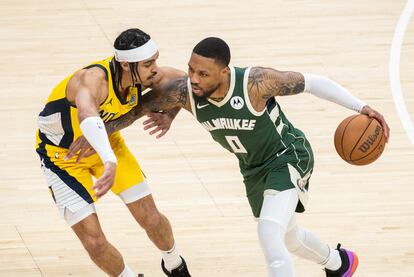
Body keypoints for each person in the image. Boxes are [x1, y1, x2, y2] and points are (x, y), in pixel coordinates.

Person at [67, 37, 390, 276]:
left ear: (223, 73)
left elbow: (311, 83)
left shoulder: (255, 84)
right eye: (191, 70)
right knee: (288, 238)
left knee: (268, 233)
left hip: (287, 156)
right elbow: (136, 111)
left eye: (203, 74)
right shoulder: (185, 92)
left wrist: (360, 107)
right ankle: (339, 263)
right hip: (252, 169)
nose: (193, 78)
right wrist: (101, 132)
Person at [35, 28, 191, 277]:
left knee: (150, 218)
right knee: (94, 243)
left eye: (156, 61)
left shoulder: (146, 76)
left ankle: (174, 264)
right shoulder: (92, 80)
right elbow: (87, 117)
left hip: (108, 143)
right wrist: (109, 161)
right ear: (127, 65)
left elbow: (184, 82)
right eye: (148, 63)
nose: (155, 69)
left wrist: (170, 114)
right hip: (62, 158)